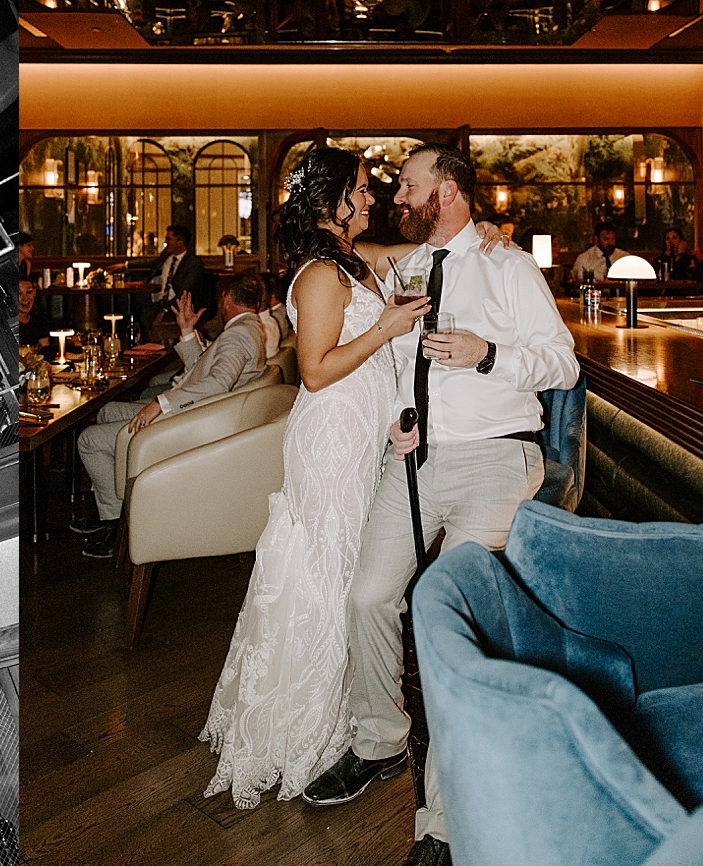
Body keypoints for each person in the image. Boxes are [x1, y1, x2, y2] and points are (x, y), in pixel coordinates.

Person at [300, 144, 578, 866]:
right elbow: (398, 359)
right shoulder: (413, 268)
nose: (398, 194)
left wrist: (490, 354)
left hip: (495, 456)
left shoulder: (508, 264)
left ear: (447, 192)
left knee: (448, 617)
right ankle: (380, 738)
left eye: (411, 185)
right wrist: (401, 412)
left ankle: (446, 820)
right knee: (366, 597)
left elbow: (563, 361)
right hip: (418, 459)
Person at [200, 148, 430, 809]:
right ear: (327, 200)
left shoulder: (353, 261)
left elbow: (412, 254)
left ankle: (356, 719)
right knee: (330, 571)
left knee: (347, 570)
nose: (370, 199)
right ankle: (324, 724)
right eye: (358, 191)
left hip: (360, 433)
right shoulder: (320, 275)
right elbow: (319, 370)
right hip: (330, 437)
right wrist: (386, 326)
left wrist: (482, 239)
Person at [73, 271, 269, 558]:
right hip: (202, 413)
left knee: (89, 440)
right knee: (107, 411)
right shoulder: (251, 328)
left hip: (191, 421)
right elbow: (204, 369)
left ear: (226, 299)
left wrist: (160, 403)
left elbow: (217, 383)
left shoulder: (238, 334)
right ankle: (112, 503)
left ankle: (117, 525)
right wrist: (187, 331)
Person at [135, 224, 207, 334]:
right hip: (159, 302)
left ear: (180, 242)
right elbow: (150, 263)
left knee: (148, 318)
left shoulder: (193, 264)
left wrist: (166, 309)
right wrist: (125, 265)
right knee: (137, 312)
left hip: (178, 306)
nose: (166, 242)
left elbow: (185, 291)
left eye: (169, 239)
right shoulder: (166, 256)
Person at [17, 274, 52, 355]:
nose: (25, 298)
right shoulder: (8, 324)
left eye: (29, 292)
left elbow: (45, 352)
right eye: (19, 293)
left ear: (34, 292)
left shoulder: (39, 320)